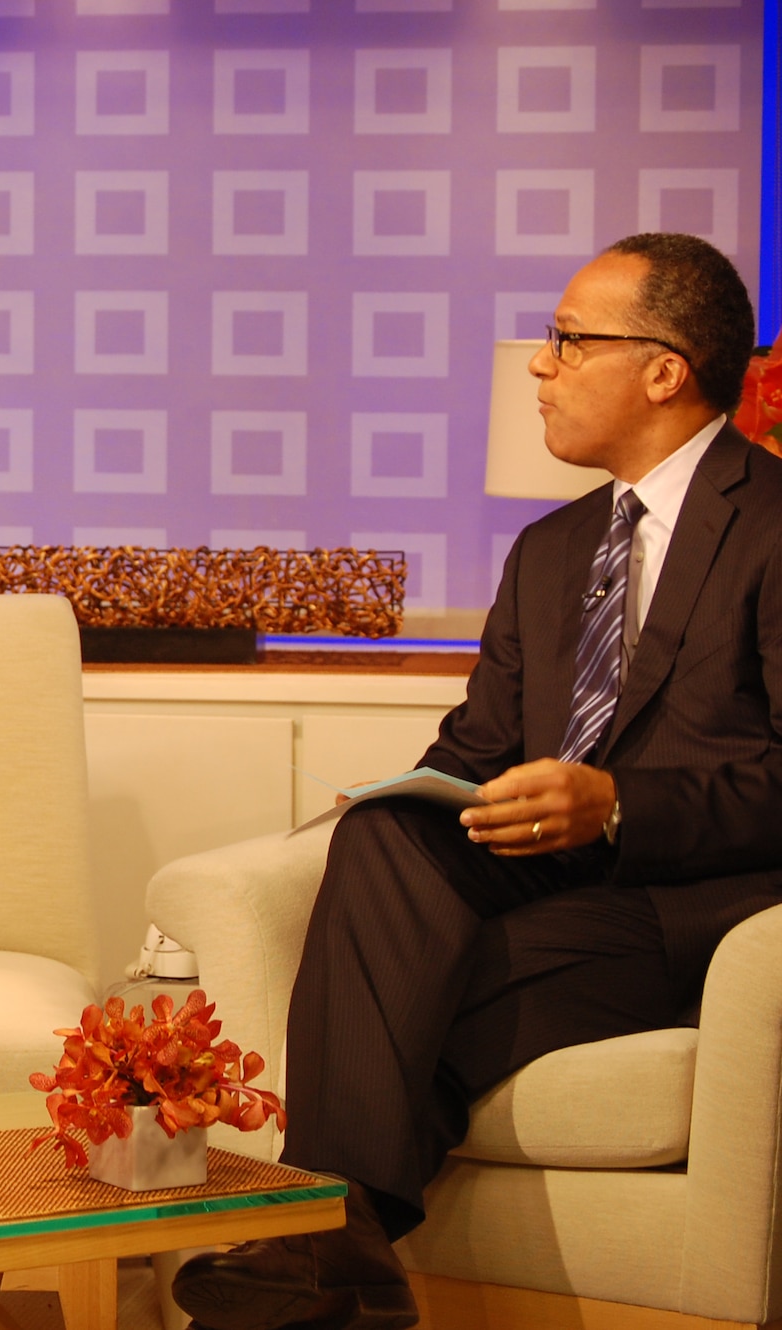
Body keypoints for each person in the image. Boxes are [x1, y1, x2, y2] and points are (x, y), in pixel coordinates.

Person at [175, 233, 782, 1330]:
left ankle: (325, 1254)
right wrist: (403, 792)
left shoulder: (774, 526)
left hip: (695, 908)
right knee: (377, 841)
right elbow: (476, 747)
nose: (537, 366)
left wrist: (617, 804)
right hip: (543, 876)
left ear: (664, 369)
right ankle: (339, 1268)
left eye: (565, 340)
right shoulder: (547, 551)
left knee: (415, 1005)